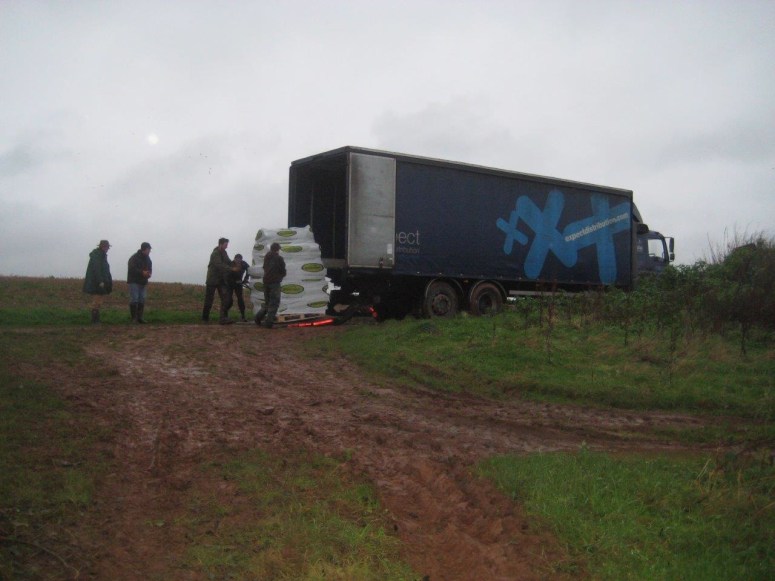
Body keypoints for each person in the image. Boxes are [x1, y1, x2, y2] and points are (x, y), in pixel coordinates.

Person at [202, 237, 240, 324]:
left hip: (221, 280)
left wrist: (235, 263)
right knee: (209, 300)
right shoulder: (215, 253)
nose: (227, 246)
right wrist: (232, 269)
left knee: (226, 299)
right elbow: (219, 265)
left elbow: (228, 261)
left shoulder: (224, 253)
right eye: (226, 245)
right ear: (221, 244)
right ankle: (205, 318)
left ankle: (223, 318)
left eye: (227, 245)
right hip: (212, 280)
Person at [255, 242, 286, 329]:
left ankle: (258, 318)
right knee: (274, 303)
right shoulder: (279, 258)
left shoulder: (267, 257)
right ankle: (269, 323)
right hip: (274, 282)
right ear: (277, 249)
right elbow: (283, 270)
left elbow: (264, 267)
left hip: (266, 281)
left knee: (268, 303)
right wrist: (280, 276)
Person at [83, 239, 113, 324]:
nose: (108, 249)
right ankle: (94, 320)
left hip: (100, 282)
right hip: (96, 283)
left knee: (99, 301)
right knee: (96, 301)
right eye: (107, 247)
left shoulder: (102, 256)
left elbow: (105, 270)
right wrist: (100, 281)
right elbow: (97, 269)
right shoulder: (97, 255)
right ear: (103, 247)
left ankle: (96, 319)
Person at [127, 242, 152, 323]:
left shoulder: (148, 259)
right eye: (148, 249)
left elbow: (150, 268)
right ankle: (134, 318)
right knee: (134, 299)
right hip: (134, 281)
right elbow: (132, 269)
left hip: (143, 282)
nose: (149, 251)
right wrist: (142, 272)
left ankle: (140, 318)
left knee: (142, 299)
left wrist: (149, 274)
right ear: (144, 249)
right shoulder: (134, 258)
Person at [228, 253, 250, 322]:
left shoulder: (244, 264)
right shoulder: (231, 264)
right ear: (234, 259)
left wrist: (246, 279)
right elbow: (226, 274)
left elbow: (249, 270)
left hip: (239, 284)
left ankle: (243, 316)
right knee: (229, 300)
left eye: (239, 260)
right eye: (236, 260)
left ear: (241, 260)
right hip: (230, 284)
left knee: (240, 299)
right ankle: (225, 315)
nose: (238, 261)